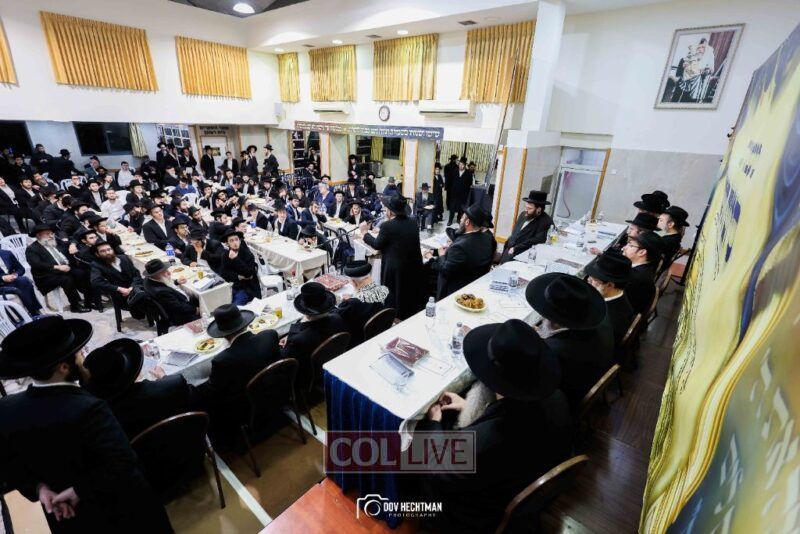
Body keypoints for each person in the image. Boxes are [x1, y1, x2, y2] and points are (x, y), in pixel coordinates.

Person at [0, 317, 174, 533]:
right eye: (78, 354)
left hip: (67, 517)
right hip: (121, 512)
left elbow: (10, 467)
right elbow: (123, 464)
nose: (83, 357)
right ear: (64, 367)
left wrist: (39, 488)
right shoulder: (87, 408)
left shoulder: (6, 409)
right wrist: (79, 490)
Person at [418, 319, 572, 533]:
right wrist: (468, 407)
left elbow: (439, 469)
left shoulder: (486, 440)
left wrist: (433, 424)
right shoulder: (558, 398)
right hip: (520, 474)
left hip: (474, 514)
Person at [526, 273, 614, 409]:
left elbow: (535, 383)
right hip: (589, 370)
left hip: (564, 400)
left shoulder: (553, 352)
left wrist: (535, 342)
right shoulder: (601, 320)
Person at [82, 339, 197, 439]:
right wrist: (164, 377)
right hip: (188, 448)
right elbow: (197, 403)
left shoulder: (103, 419)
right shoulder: (173, 385)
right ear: (130, 369)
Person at [197, 304, 280, 432]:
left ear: (222, 335)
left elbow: (213, 392)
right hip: (276, 391)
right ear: (245, 324)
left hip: (246, 406)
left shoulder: (222, 360)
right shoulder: (270, 335)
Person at [360, 196, 425, 319]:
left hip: (396, 268)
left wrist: (365, 233)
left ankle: (396, 317)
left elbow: (377, 244)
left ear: (390, 211)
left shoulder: (387, 226)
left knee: (395, 296)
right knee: (408, 293)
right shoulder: (413, 222)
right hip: (413, 265)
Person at [281, 282, 347, 386]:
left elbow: (286, 359)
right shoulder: (337, 319)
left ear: (305, 312)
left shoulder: (298, 339)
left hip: (309, 377)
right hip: (333, 363)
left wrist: (291, 337)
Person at [427, 204, 495, 300]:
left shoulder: (460, 246)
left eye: (462, 218)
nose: (460, 220)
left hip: (454, 293)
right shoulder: (487, 238)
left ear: (467, 222)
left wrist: (439, 255)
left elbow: (446, 271)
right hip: (474, 286)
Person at [26, 223, 90, 313]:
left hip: (64, 269)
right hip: (47, 275)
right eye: (47, 234)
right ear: (39, 235)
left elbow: (71, 240)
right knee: (67, 279)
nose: (51, 236)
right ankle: (75, 305)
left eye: (52, 233)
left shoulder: (56, 241)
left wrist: (72, 244)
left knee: (81, 273)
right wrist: (57, 267)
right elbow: (36, 264)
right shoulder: (32, 249)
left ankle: (89, 300)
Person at [585, 250, 635, 347]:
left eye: (593, 279)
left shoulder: (610, 319)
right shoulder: (619, 295)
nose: (588, 280)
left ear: (609, 285)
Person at [335, 260, 389, 346]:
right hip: (380, 331)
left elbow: (336, 319)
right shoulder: (384, 290)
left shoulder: (351, 304)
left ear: (354, 282)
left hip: (359, 341)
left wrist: (345, 302)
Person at [90, 241, 144, 316]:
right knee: (145, 301)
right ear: (97, 254)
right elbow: (96, 282)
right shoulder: (97, 265)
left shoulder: (124, 258)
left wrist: (132, 287)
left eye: (109, 249)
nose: (107, 252)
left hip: (135, 287)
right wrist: (119, 289)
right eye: (103, 251)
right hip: (120, 295)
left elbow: (136, 274)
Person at [500, 190, 553, 263]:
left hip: (522, 256)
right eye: (526, 207)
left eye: (530, 208)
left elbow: (537, 240)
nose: (526, 211)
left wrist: (516, 248)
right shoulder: (523, 214)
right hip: (508, 250)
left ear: (539, 209)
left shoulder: (546, 222)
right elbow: (516, 232)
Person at [143, 259, 199, 327]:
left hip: (172, 305)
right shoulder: (161, 292)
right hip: (180, 316)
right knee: (202, 300)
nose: (169, 273)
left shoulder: (147, 280)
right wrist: (195, 309)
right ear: (156, 275)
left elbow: (163, 285)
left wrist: (176, 282)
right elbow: (179, 308)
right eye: (164, 271)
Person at [622, 231, 662, 314]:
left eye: (630, 245)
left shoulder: (634, 277)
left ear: (642, 252)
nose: (624, 247)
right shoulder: (646, 268)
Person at [218, 228, 261, 305]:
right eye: (231, 240)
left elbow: (249, 273)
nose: (235, 242)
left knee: (234, 308)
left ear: (240, 241)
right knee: (220, 304)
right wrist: (238, 276)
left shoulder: (247, 254)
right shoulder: (225, 255)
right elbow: (224, 273)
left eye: (236, 239)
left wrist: (235, 259)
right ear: (227, 243)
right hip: (232, 286)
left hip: (247, 288)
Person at [0, 247, 43, 316]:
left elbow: (21, 269)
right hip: (1, 286)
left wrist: (15, 275)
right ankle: (33, 312)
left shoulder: (6, 253)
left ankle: (35, 311)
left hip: (12, 281)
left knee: (24, 281)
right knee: (19, 286)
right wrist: (3, 278)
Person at [447, 157, 473, 225]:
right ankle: (450, 220)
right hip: (454, 193)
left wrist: (466, 193)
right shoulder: (454, 171)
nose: (461, 166)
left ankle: (459, 219)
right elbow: (450, 182)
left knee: (461, 208)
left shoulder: (468, 173)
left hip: (463, 194)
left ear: (465, 165)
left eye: (462, 165)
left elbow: (469, 184)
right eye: (460, 164)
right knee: (452, 207)